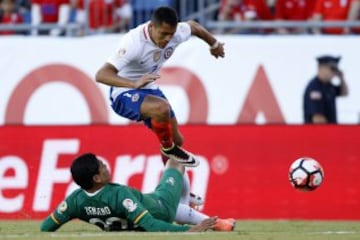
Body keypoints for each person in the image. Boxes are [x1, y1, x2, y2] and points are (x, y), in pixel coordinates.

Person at [95, 6, 224, 167]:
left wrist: (214, 44)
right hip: (123, 92)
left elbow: (194, 26)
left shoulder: (176, 33)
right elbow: (101, 74)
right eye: (163, 34)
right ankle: (168, 148)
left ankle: (175, 182)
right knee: (161, 109)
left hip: (148, 87)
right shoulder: (133, 43)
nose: (167, 39)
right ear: (151, 27)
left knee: (177, 140)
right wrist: (134, 83)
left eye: (171, 34)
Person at [40, 153, 235, 232]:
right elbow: (152, 225)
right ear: (97, 179)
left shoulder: (75, 201)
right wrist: (190, 230)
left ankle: (188, 205)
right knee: (174, 160)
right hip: (160, 206)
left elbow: (45, 227)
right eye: (101, 166)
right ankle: (187, 202)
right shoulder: (120, 195)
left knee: (178, 205)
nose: (106, 165)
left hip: (137, 215)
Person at [303, 55, 349, 124]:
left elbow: (344, 93)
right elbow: (317, 118)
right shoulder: (315, 87)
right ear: (321, 68)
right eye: (332, 69)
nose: (334, 73)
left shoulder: (328, 86)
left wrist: (341, 78)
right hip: (319, 132)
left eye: (336, 70)